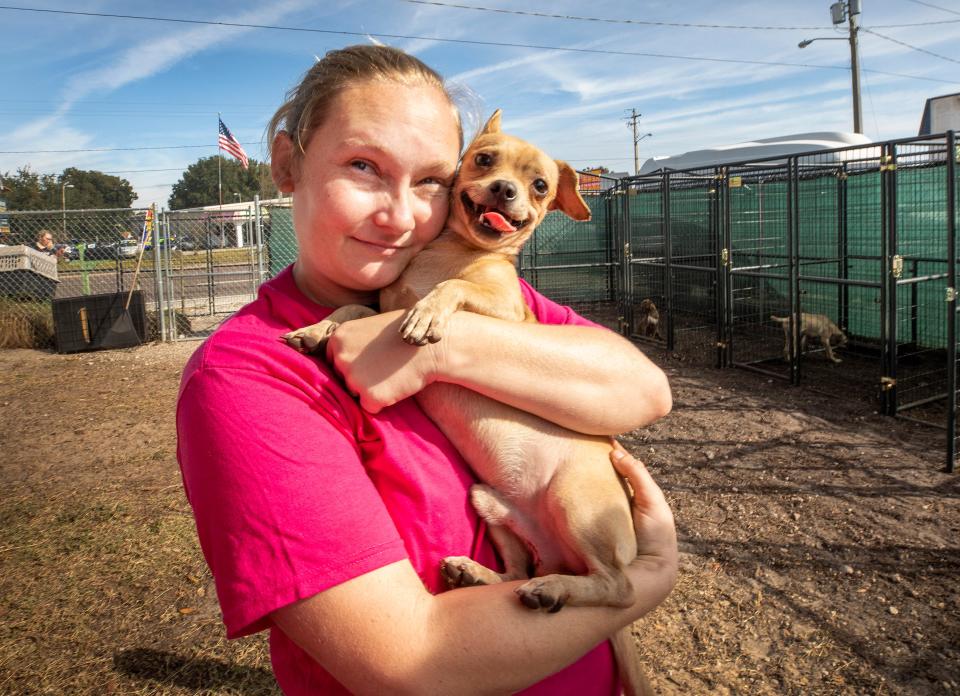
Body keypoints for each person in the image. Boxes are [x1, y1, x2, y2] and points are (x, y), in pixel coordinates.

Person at [176, 44, 676, 695]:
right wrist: (650, 578)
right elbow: (410, 665)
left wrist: (442, 347)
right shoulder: (248, 380)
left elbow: (647, 390)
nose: (402, 214)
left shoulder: (475, 283)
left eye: (431, 180)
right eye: (363, 166)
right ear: (285, 164)